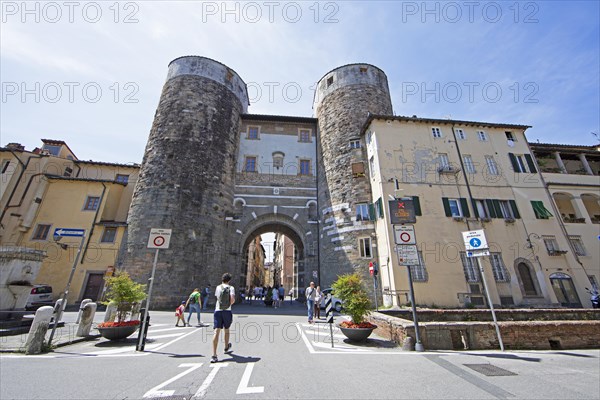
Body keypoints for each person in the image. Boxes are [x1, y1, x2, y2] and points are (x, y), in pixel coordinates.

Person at [211, 273, 235, 363]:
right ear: (229, 280)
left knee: (216, 331)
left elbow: (217, 298)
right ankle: (226, 347)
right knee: (227, 329)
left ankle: (214, 355)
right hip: (227, 311)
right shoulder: (231, 288)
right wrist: (228, 305)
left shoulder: (218, 287)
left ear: (222, 279)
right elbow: (232, 299)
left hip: (218, 310)